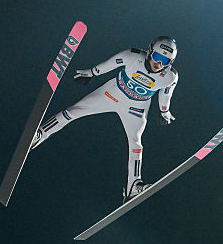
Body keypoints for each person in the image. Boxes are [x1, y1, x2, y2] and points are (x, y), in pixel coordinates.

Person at [29, 35, 179, 202]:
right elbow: (111, 63)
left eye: (165, 61)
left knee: (136, 143)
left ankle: (133, 185)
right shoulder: (133, 57)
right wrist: (92, 72)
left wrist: (164, 111)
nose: (159, 64)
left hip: (136, 109)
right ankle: (39, 135)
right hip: (111, 94)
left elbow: (166, 94)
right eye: (157, 57)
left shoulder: (170, 77)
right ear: (150, 51)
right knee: (73, 112)